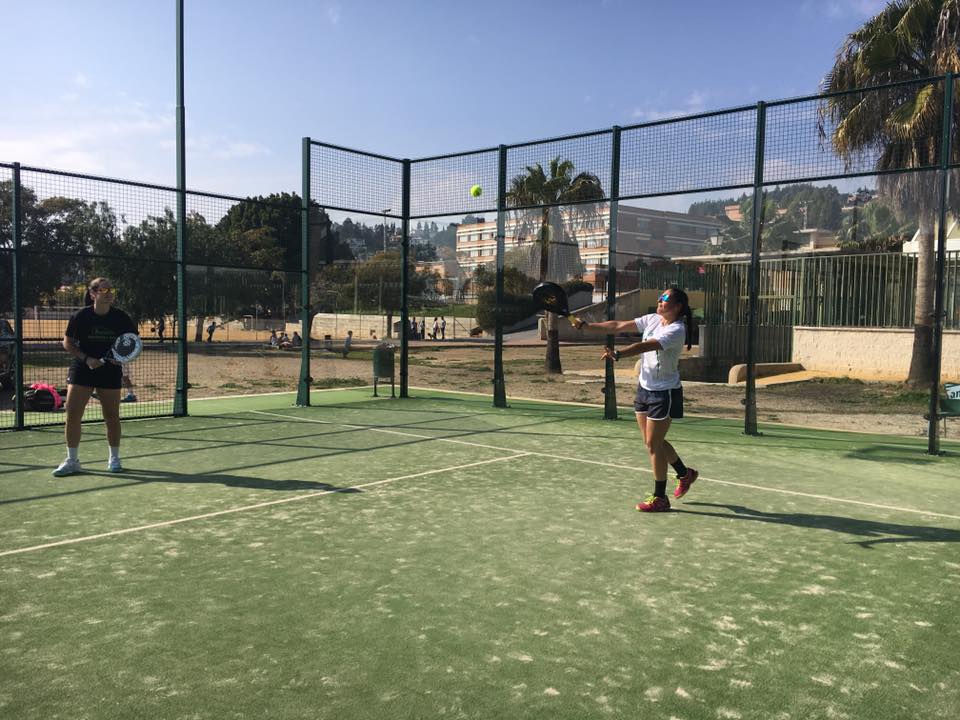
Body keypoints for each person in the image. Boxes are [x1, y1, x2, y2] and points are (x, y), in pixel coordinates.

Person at [571, 287, 699, 512]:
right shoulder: (652, 319)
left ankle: (661, 498)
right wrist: (588, 327)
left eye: (665, 299)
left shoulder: (677, 330)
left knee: (653, 444)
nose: (660, 301)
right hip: (644, 388)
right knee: (652, 443)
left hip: (665, 392)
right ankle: (684, 473)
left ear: (678, 306)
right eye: (660, 297)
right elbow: (618, 325)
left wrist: (620, 353)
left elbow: (648, 345)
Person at [53, 277, 138, 476]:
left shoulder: (121, 317)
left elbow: (132, 342)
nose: (109, 292)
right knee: (73, 414)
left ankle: (114, 459)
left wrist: (121, 358)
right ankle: (72, 461)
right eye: (104, 289)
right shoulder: (80, 316)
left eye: (111, 288)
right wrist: (86, 358)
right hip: (82, 369)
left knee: (111, 416)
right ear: (93, 294)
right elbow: (67, 343)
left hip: (110, 371)